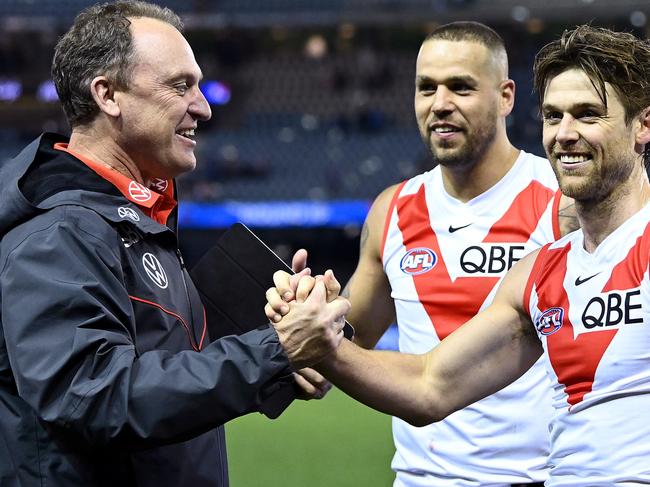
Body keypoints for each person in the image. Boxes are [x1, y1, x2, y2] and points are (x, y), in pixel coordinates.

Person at [270, 24, 650, 486]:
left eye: (588, 115)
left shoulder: (559, 206)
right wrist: (318, 329)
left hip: (524, 475)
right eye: (553, 116)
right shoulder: (534, 271)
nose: (566, 134)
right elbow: (426, 382)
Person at [0, 2, 349, 486]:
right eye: (180, 85)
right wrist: (273, 350)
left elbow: (162, 359)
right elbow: (92, 397)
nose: (203, 106)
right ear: (108, 95)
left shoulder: (135, 219)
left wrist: (284, 348)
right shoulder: (58, 232)